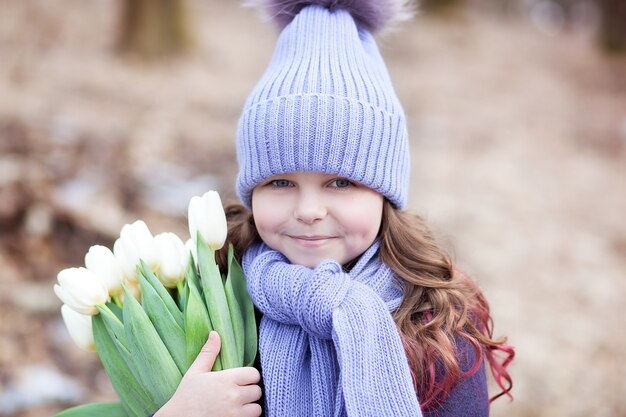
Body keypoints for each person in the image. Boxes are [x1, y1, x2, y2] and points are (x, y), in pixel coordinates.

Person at [156, 1, 514, 416]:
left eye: (341, 183)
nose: (309, 210)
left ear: (384, 194)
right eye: (281, 182)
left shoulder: (438, 330)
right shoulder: (215, 300)